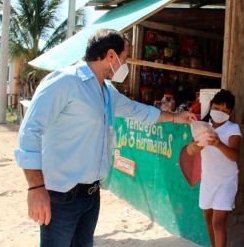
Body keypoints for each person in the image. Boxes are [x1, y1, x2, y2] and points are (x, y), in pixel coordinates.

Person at [14, 29, 195, 247]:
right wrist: (35, 188)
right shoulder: (65, 82)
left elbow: (138, 111)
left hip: (91, 197)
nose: (125, 65)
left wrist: (177, 118)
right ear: (111, 56)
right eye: (125, 58)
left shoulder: (107, 92)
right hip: (61, 198)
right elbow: (30, 130)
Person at [186, 89, 241, 247]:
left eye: (225, 110)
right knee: (208, 219)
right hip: (208, 180)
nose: (220, 113)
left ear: (230, 112)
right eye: (217, 108)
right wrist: (196, 146)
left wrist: (219, 144)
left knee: (218, 223)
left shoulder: (233, 129)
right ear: (211, 106)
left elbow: (235, 156)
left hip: (226, 181)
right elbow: (190, 151)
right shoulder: (202, 127)